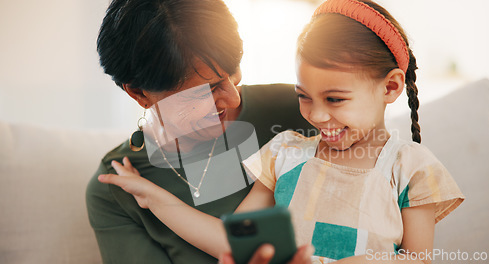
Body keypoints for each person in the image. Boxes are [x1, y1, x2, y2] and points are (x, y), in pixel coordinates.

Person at [98, 0, 465, 263]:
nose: (317, 116)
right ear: (139, 93)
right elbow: (232, 237)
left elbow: (418, 258)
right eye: (303, 97)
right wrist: (154, 198)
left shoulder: (412, 167)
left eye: (334, 99)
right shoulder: (285, 151)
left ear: (390, 88)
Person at [85, 0, 316, 263]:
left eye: (233, 72)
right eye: (207, 90)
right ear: (139, 93)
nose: (233, 99)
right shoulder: (117, 189)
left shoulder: (306, 108)